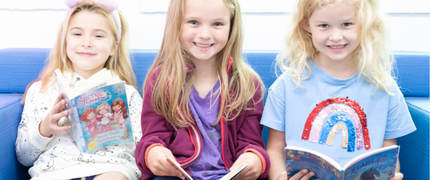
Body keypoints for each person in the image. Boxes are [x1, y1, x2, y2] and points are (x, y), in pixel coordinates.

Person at [260, 0, 416, 180]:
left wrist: (391, 175)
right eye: (324, 25)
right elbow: (274, 149)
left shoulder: (385, 88)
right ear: (306, 25)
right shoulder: (287, 85)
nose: (335, 36)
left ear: (366, 23)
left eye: (347, 24)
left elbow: (389, 156)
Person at [135, 0, 270, 179]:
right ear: (176, 23)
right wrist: (153, 153)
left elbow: (251, 142)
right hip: (176, 176)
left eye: (217, 24)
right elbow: (152, 137)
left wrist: (254, 159)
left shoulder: (247, 84)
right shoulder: (161, 79)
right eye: (193, 22)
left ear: (231, 27)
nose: (205, 34)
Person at [15, 0, 143, 179]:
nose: (87, 43)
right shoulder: (41, 90)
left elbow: (144, 150)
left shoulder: (127, 95)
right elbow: (23, 156)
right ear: (65, 40)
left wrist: (119, 126)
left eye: (98, 36)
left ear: (114, 46)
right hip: (54, 173)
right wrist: (44, 128)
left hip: (110, 169)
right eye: (77, 34)